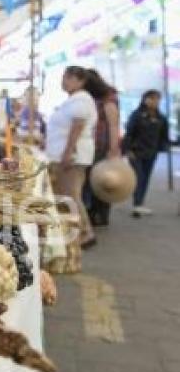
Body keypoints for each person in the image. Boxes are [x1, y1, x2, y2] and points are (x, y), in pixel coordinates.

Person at [46, 66, 98, 248]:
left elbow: (77, 127)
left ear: (80, 81)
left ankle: (85, 232)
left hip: (72, 156)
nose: (64, 81)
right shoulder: (73, 100)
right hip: (64, 154)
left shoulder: (82, 100)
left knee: (71, 195)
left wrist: (68, 153)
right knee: (67, 195)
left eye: (68, 78)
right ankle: (75, 232)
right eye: (64, 77)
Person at [82, 69, 121, 226]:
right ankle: (94, 212)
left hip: (102, 146)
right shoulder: (96, 98)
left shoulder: (107, 98)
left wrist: (113, 149)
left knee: (102, 180)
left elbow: (113, 125)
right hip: (94, 144)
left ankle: (101, 215)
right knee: (94, 180)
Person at [123, 89, 169, 217]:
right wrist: (127, 149)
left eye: (157, 99)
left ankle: (139, 204)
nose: (155, 101)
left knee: (146, 178)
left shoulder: (161, 118)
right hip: (136, 152)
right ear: (145, 99)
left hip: (151, 152)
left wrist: (162, 148)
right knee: (139, 177)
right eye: (152, 98)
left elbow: (163, 136)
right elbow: (129, 133)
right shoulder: (136, 115)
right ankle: (137, 204)